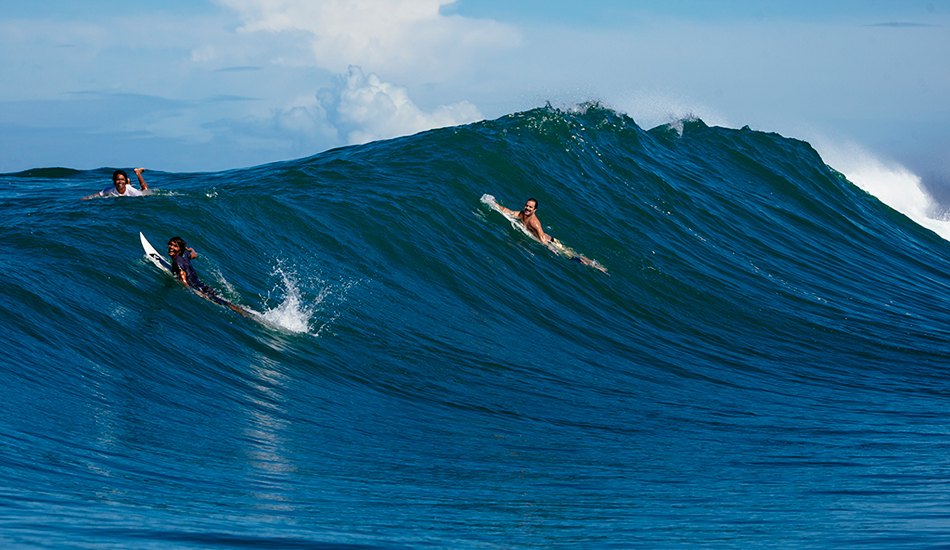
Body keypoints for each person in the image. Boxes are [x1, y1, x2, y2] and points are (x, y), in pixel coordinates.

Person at [495, 197, 606, 272]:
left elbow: (542, 236)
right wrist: (494, 204)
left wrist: (549, 248)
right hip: (549, 240)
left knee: (571, 256)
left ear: (535, 210)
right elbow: (509, 211)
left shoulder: (534, 222)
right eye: (526, 206)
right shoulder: (522, 214)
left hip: (551, 242)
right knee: (571, 253)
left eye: (530, 207)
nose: (527, 208)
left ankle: (594, 266)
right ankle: (591, 263)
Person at [166, 236, 247, 316]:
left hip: (195, 286)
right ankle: (242, 310)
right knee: (222, 300)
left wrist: (188, 289)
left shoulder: (177, 261)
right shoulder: (184, 254)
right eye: (170, 244)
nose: (171, 247)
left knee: (220, 303)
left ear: (179, 249)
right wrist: (191, 250)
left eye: (175, 246)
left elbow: (182, 276)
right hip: (201, 284)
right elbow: (194, 255)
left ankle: (244, 314)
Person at [82, 168, 149, 199]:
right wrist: (85, 198)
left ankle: (138, 173)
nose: (120, 182)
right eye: (118, 180)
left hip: (128, 189)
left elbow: (144, 197)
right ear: (114, 181)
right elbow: (97, 195)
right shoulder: (110, 190)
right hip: (125, 186)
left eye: (122, 179)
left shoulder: (133, 192)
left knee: (145, 190)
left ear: (124, 181)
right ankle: (128, 183)